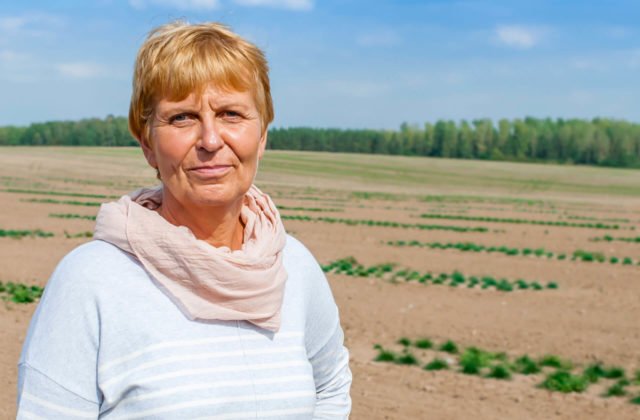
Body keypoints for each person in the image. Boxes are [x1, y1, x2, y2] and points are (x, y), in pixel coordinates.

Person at [17, 21, 352, 419]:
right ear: (147, 145)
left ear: (262, 136)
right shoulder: (91, 281)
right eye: (182, 118)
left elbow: (330, 385)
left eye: (231, 114)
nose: (211, 140)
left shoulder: (293, 266)